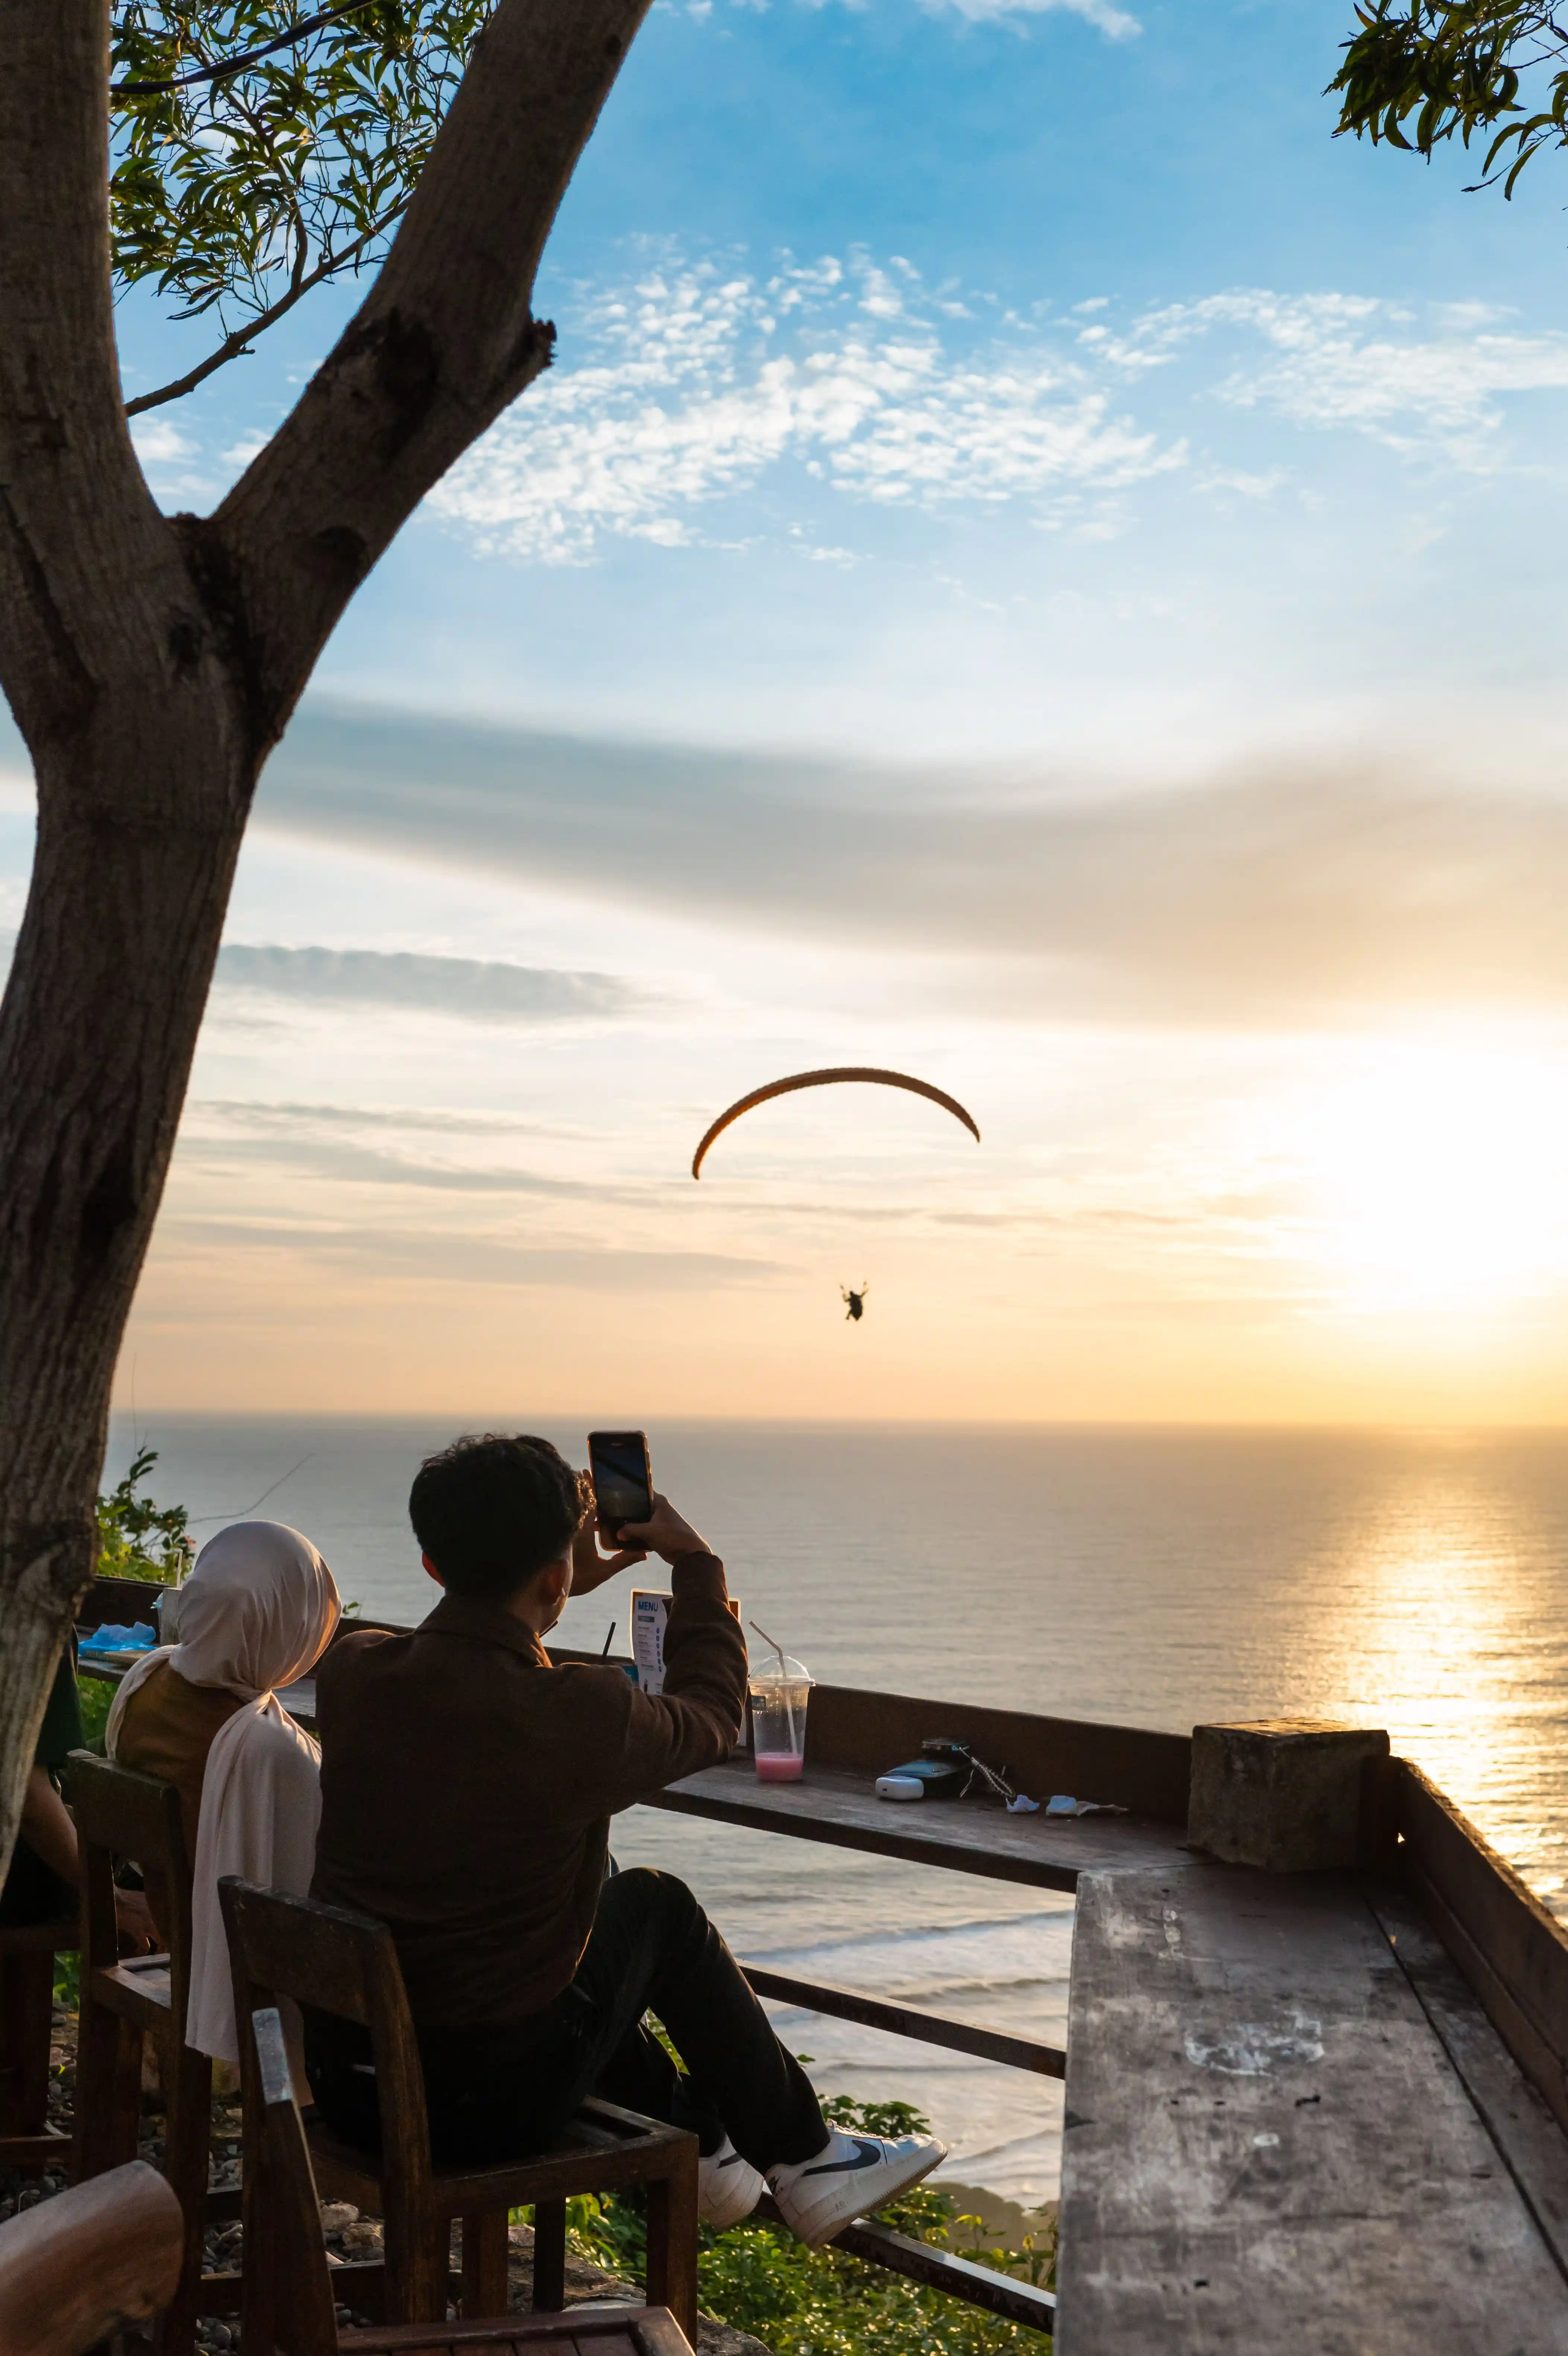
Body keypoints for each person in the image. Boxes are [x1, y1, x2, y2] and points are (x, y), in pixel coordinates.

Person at [308, 1433, 944, 2247]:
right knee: (653, 1905)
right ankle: (806, 2155)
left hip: (351, 2085)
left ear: (433, 1565)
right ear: (552, 1574)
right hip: (476, 2110)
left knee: (589, 1877)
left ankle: (706, 2145)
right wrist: (694, 1563)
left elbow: (479, 1705)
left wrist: (551, 1586)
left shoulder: (355, 1673)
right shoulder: (571, 1713)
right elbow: (713, 1717)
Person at [106, 1520, 340, 2065]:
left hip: (169, 1924)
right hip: (219, 1960)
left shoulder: (146, 1678)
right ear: (291, 1626)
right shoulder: (268, 1748)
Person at [1, 1643, 155, 1948]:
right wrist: (115, 1899)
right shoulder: (39, 1623)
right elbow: (27, 1799)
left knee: (114, 1758)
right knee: (135, 1834)